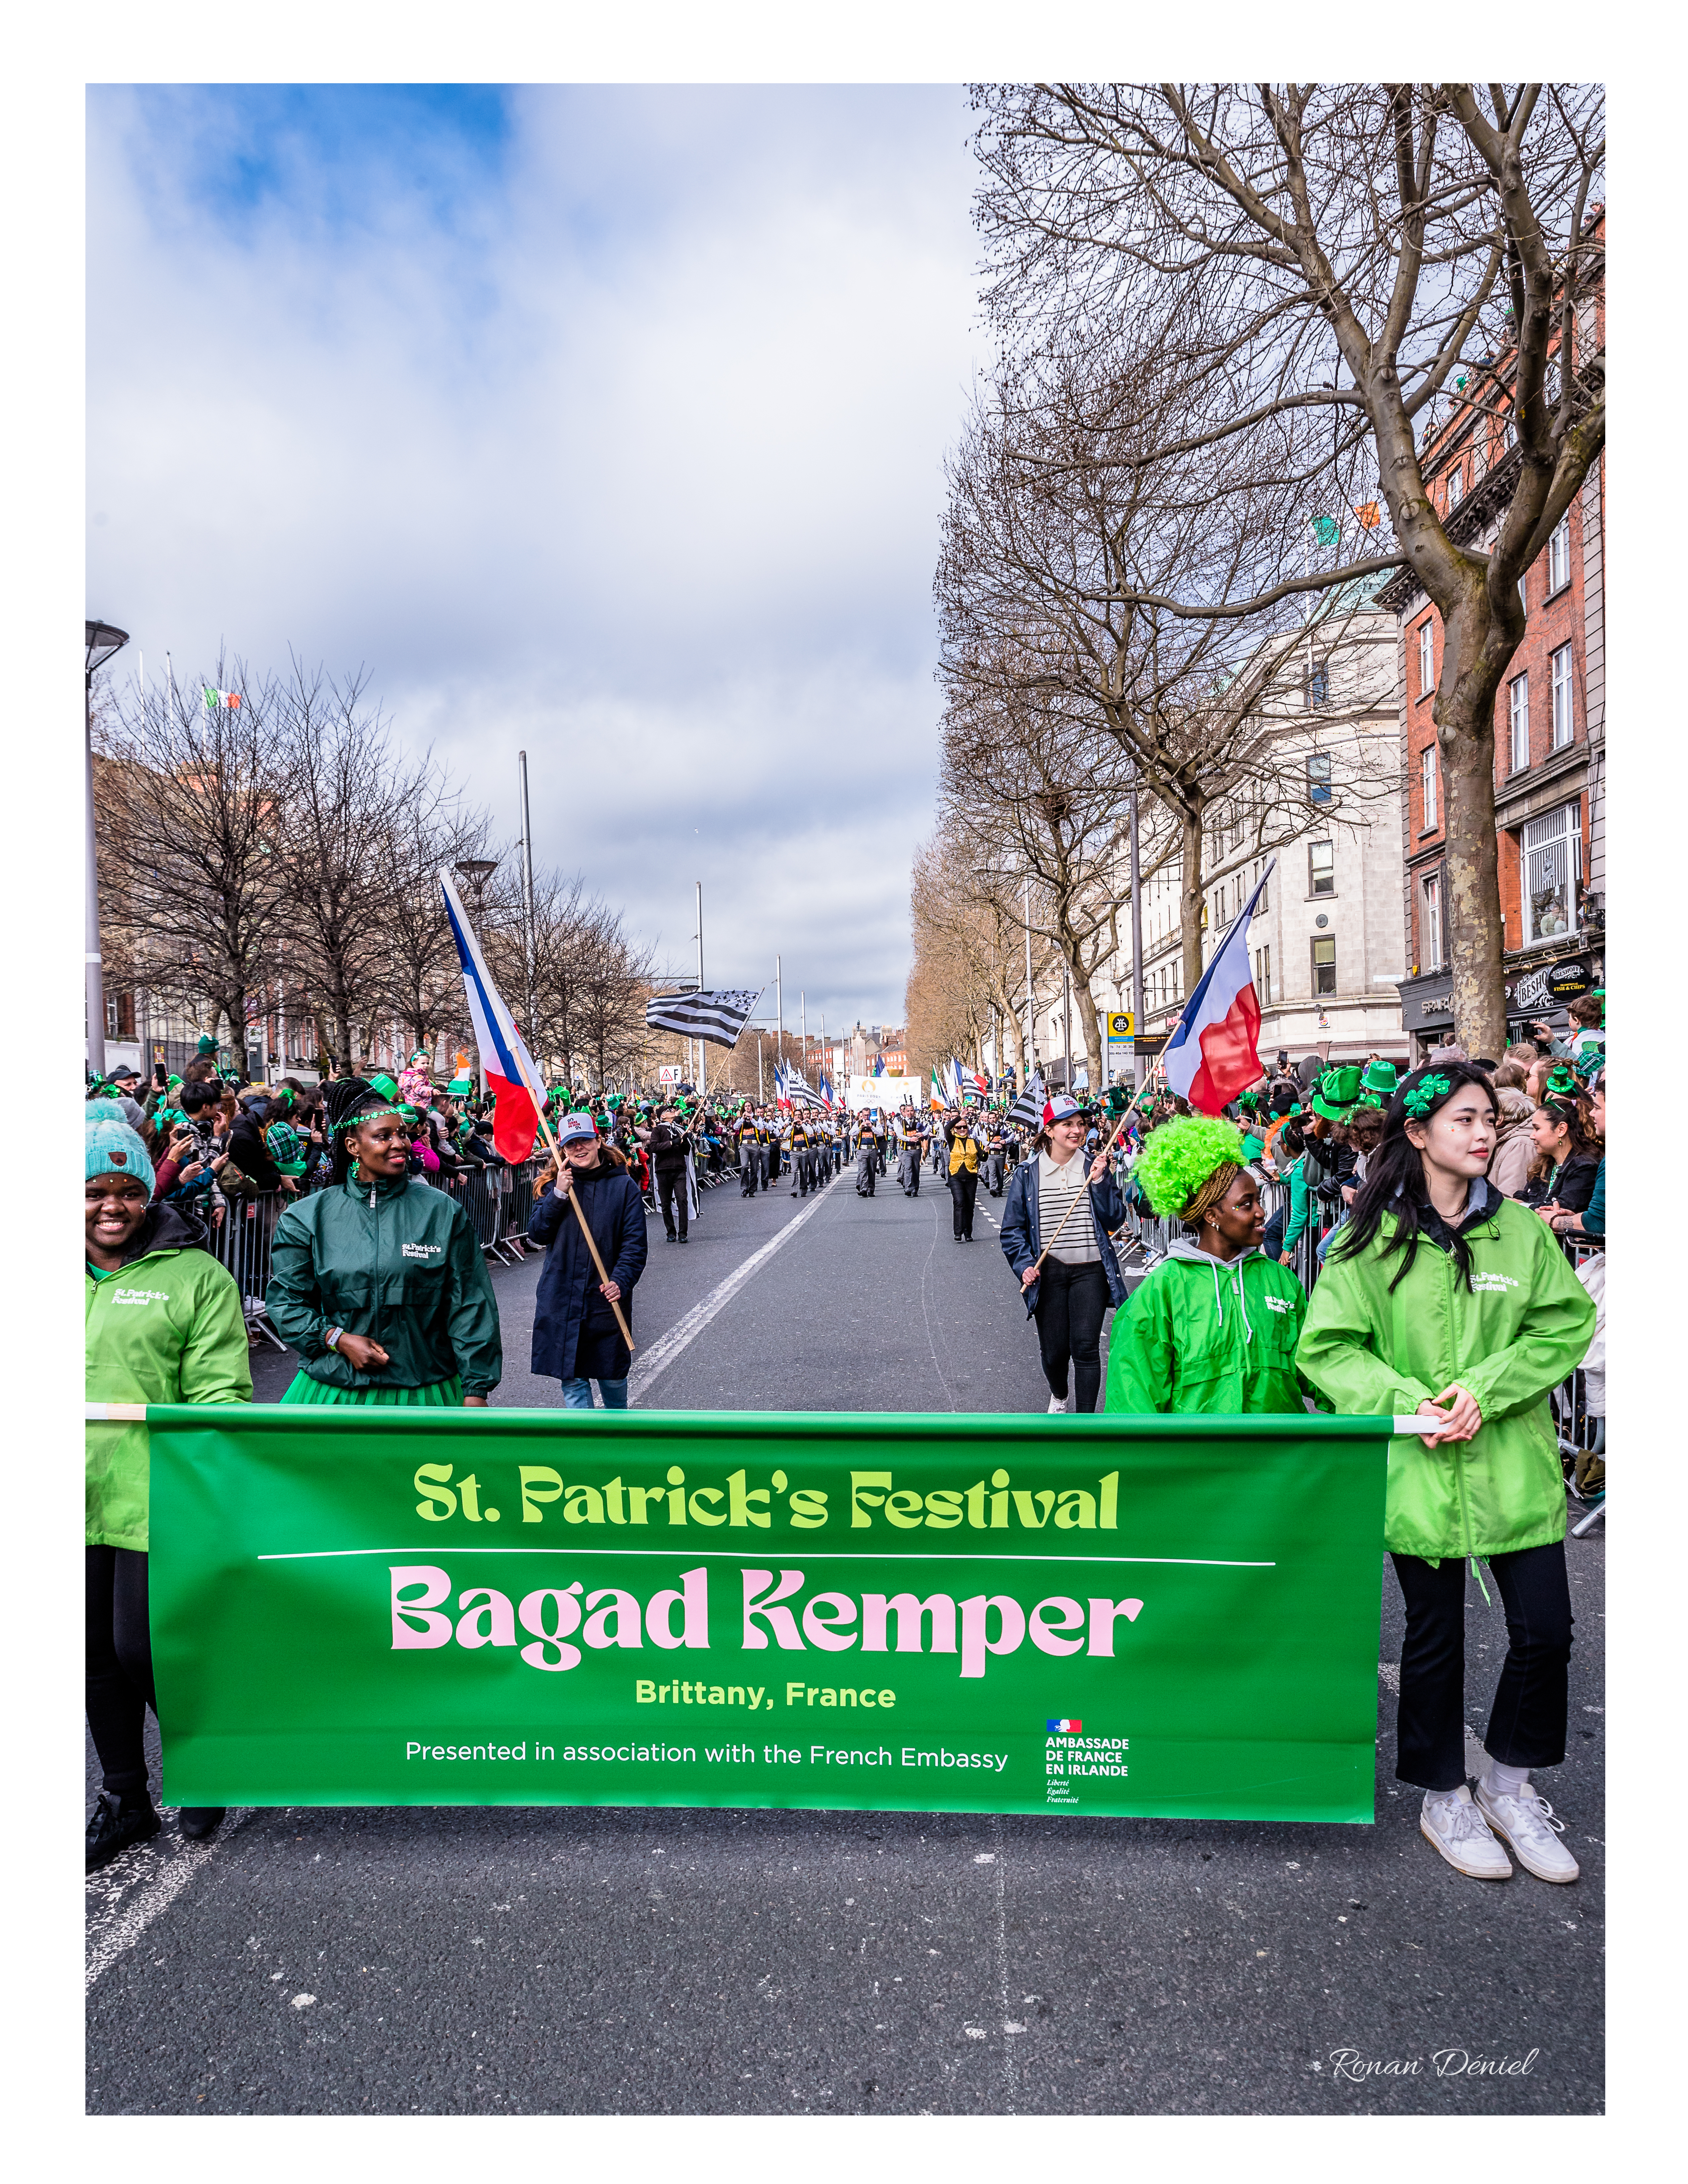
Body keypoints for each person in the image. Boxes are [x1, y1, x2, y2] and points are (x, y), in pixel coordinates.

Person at [1296, 1064, 1596, 1886]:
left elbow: (1564, 1323)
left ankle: (1507, 1785)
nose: (1482, 1132)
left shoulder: (1522, 1232)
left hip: (1512, 1467)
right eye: (1464, 1117)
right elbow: (1327, 1348)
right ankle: (1441, 1795)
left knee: (1545, 1631)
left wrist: (1485, 1390)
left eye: (1490, 1118)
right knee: (1435, 1641)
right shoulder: (1365, 1238)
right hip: (1418, 1470)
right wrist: (1409, 1402)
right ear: (1418, 1132)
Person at [85, 1101, 252, 1870]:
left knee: (140, 1645)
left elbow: (221, 1392)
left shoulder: (194, 1275)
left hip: (157, 1491)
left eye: (123, 1188)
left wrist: (205, 1453)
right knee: (89, 1652)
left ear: (145, 1192)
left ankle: (203, 1759)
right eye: (92, 1190)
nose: (109, 1205)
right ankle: (125, 1796)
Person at [265, 1077, 502, 1407]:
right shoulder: (306, 1218)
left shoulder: (442, 1211)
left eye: (402, 1134)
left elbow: (471, 1303)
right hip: (334, 1394)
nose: (400, 1144)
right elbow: (286, 1303)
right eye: (383, 1136)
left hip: (426, 1390)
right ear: (352, 1147)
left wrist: (476, 1390)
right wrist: (336, 1339)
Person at [1105, 1115, 1310, 1414]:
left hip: (1279, 1458)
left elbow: (1320, 1367)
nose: (1261, 1212)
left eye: (1258, 1200)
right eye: (1246, 1204)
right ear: (1212, 1216)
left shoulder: (1282, 1281)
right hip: (1193, 1458)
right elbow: (1134, 1397)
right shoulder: (1163, 1290)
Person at [1000, 1095, 1128, 1414]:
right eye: (1068, 1124)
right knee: (1055, 1352)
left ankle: (1085, 1425)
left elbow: (1115, 1219)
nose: (1077, 1130)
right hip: (1050, 1273)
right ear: (1050, 1130)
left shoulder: (1093, 1167)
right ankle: (1059, 1395)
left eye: (1081, 1124)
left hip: (1091, 1271)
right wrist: (1025, 1266)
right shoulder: (1028, 1173)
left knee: (1086, 1348)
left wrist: (1099, 1183)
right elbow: (1012, 1231)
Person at [529, 1111, 648, 1408]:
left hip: (604, 1298)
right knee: (573, 1379)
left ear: (598, 1141)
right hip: (561, 1296)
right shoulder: (552, 1186)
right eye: (571, 1145)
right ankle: (587, 1450)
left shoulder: (624, 1187)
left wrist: (621, 1281)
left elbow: (635, 1245)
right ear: (563, 1149)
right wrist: (559, 1194)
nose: (579, 1149)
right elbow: (538, 1234)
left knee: (612, 1376)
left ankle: (617, 1439)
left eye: (584, 1141)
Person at [648, 1104, 692, 1243]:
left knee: (682, 1200)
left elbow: (686, 1151)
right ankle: (671, 1232)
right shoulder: (658, 1130)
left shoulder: (680, 1130)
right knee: (666, 1203)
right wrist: (672, 1143)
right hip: (663, 1171)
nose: (673, 1111)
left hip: (679, 1170)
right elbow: (654, 1147)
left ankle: (683, 1233)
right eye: (669, 1111)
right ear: (663, 1116)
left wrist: (686, 1140)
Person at [946, 1110, 983, 1241]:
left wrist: (986, 1152)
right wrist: (960, 1118)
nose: (962, 1129)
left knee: (970, 1205)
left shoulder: (973, 1142)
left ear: (968, 1129)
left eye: (964, 1127)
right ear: (955, 1129)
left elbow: (983, 1158)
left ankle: (968, 1233)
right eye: (959, 1127)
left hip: (971, 1177)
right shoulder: (951, 1140)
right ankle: (958, 1232)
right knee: (959, 1202)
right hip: (955, 1176)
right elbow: (947, 1128)